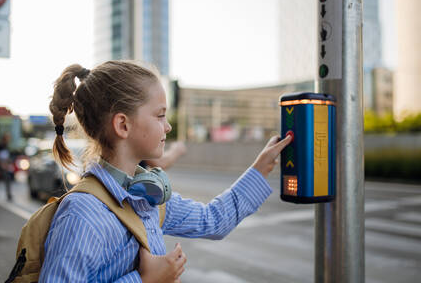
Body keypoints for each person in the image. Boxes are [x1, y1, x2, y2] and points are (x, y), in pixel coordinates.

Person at [40, 61, 292, 282]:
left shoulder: (147, 199)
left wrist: (260, 168)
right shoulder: (82, 214)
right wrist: (144, 280)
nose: (169, 126)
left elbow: (211, 220)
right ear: (123, 125)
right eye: (160, 115)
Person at [0, 132, 13, 201]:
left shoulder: (7, 146)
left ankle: (8, 194)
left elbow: (7, 156)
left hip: (5, 165)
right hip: (0, 165)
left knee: (8, 178)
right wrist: (1, 164)